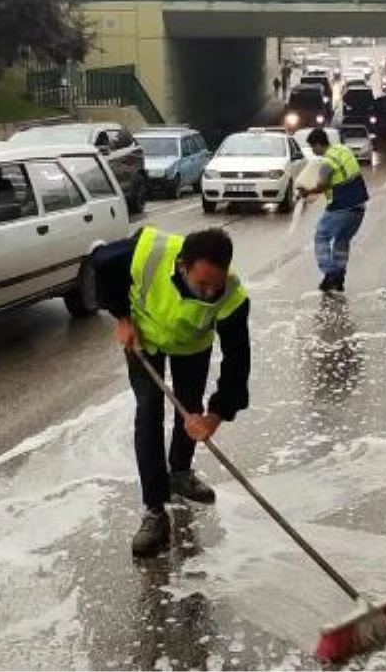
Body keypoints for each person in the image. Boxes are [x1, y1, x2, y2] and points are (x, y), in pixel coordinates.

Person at [93, 226, 252, 558]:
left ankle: (179, 472)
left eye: (215, 284)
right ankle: (154, 510)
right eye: (202, 284)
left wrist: (216, 415)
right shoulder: (148, 252)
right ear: (182, 266)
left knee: (189, 408)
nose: (210, 293)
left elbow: (238, 361)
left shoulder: (233, 296)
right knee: (148, 411)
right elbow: (102, 263)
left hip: (191, 345)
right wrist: (122, 317)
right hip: (145, 339)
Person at [296, 128, 370, 292]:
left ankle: (330, 274)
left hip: (342, 206)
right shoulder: (343, 149)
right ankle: (339, 276)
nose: (314, 152)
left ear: (317, 144)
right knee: (342, 240)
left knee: (321, 236)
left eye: (313, 148)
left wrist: (306, 192)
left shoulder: (327, 162)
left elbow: (321, 186)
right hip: (359, 206)